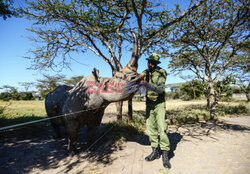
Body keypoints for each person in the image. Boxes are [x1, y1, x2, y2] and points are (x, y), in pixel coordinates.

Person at [138, 53, 171, 169]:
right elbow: (138, 79)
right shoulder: (145, 72)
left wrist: (146, 84)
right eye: (148, 62)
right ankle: (155, 151)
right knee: (150, 128)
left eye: (152, 62)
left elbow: (160, 89)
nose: (150, 64)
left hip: (159, 104)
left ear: (156, 63)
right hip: (149, 104)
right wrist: (137, 79)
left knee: (162, 128)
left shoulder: (162, 72)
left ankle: (165, 155)